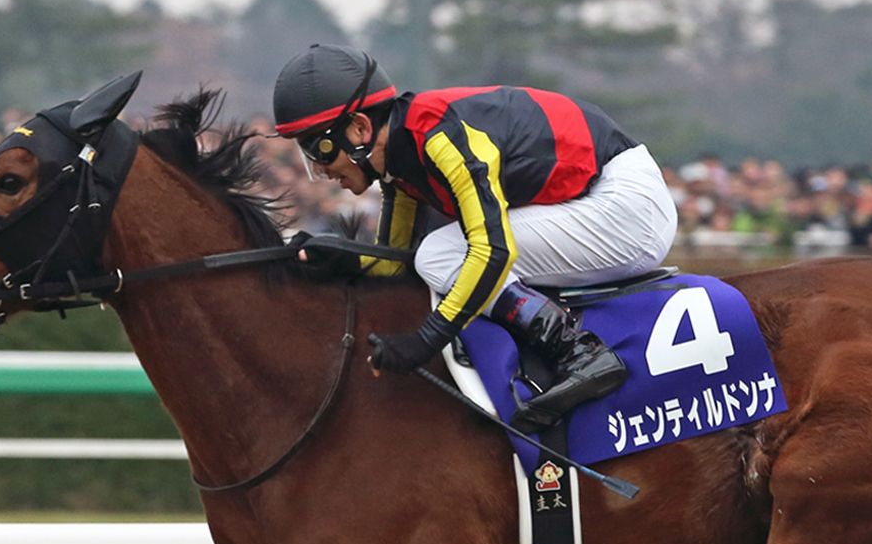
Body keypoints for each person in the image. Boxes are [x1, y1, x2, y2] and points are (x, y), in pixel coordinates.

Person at [271, 44, 677, 428]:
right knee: (435, 254)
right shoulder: (400, 161)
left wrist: (427, 339)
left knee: (440, 253)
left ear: (359, 128)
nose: (319, 170)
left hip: (628, 208)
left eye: (320, 149)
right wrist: (340, 257)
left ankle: (578, 351)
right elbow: (393, 260)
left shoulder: (438, 137)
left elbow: (493, 252)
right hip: (604, 201)